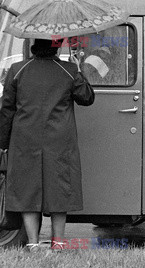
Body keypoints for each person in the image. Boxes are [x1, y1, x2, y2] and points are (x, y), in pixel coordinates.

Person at [0, 38, 95, 252]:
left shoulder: (17, 70)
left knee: (28, 190)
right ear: (56, 47)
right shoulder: (68, 70)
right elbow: (87, 98)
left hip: (24, 139)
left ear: (34, 45)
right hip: (59, 140)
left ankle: (33, 243)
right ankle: (58, 243)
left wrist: (2, 143)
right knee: (59, 189)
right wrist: (79, 68)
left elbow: (7, 109)